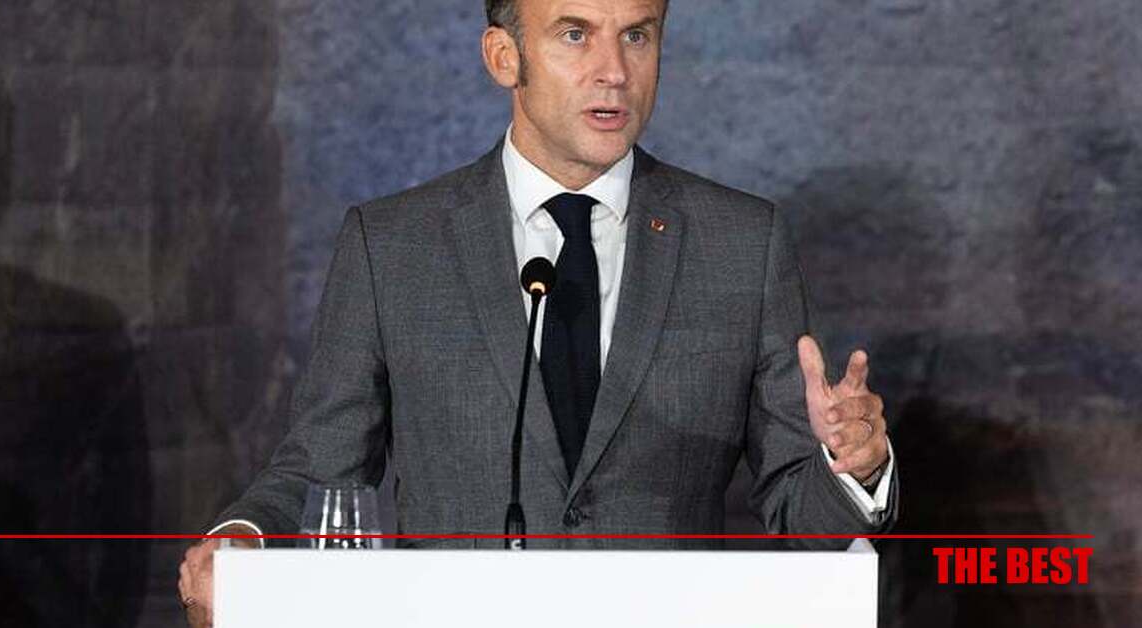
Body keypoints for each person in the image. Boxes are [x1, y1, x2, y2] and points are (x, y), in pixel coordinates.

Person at [179, 0, 897, 623]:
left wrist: (853, 467)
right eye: (575, 34)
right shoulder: (392, 246)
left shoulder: (741, 243)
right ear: (504, 57)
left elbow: (801, 515)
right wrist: (243, 538)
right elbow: (321, 471)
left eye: (637, 35)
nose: (614, 71)